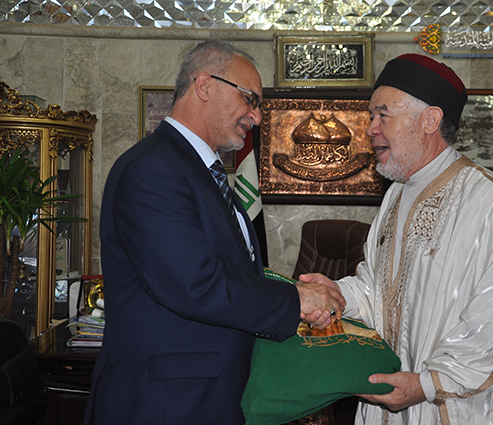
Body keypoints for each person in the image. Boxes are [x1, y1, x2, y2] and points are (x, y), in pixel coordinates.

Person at [84, 39, 345, 425]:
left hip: (208, 398)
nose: (256, 117)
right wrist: (295, 300)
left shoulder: (201, 172)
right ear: (205, 85)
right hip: (166, 405)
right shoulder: (152, 169)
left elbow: (232, 273)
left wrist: (298, 295)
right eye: (250, 99)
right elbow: (195, 283)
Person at [301, 54, 493, 424]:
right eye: (371, 116)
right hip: (393, 399)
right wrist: (337, 295)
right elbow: (379, 289)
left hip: (456, 407)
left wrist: (426, 385)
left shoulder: (492, 205)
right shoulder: (397, 194)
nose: (371, 129)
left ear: (430, 120)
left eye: (382, 115)